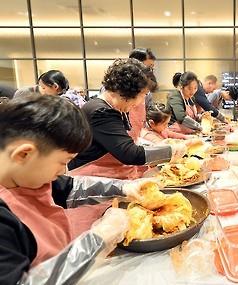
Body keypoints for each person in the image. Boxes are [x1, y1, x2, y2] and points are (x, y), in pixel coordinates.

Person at [0, 95, 156, 284]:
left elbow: (71, 187)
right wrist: (99, 239)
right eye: (62, 163)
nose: (62, 171)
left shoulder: (28, 177)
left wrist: (125, 187)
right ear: (24, 154)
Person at [68, 59, 186, 179]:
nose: (141, 101)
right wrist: (171, 151)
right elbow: (129, 154)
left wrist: (158, 147)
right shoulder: (101, 112)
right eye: (143, 94)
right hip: (92, 181)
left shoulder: (115, 108)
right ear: (128, 92)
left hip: (110, 177)